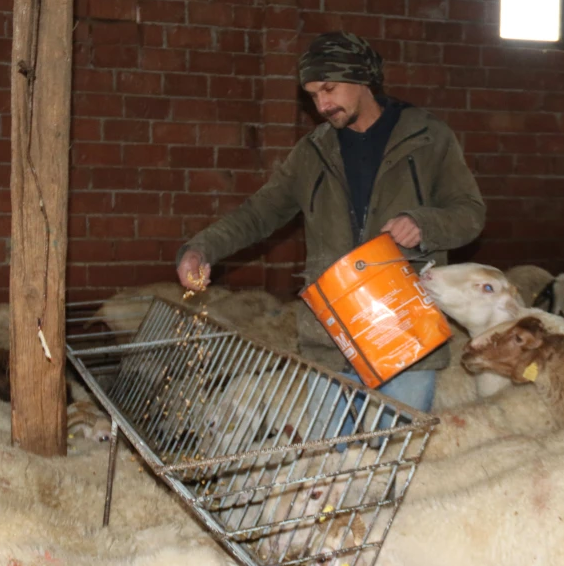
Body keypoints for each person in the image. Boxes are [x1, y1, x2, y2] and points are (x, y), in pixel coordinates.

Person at [175, 32, 486, 414]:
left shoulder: (427, 138)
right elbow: (260, 212)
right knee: (331, 463)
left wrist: (425, 223)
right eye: (313, 95)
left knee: (395, 459)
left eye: (329, 88)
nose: (322, 104)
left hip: (404, 332)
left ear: (362, 79)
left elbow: (471, 212)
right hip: (332, 338)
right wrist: (202, 248)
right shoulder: (313, 152)